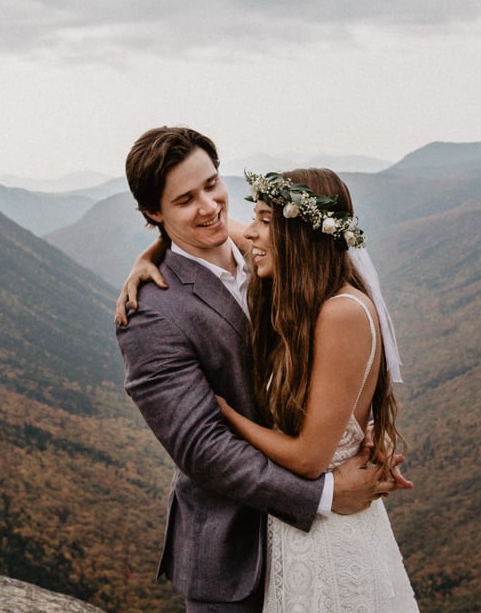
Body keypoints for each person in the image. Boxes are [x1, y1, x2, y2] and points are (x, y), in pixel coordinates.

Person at [115, 127, 403, 612]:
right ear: (153, 213)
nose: (208, 206)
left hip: (320, 549)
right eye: (185, 199)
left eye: (211, 184)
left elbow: (341, 360)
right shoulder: (150, 315)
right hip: (234, 556)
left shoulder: (272, 256)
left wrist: (364, 427)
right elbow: (201, 448)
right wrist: (325, 495)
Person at [219, 168, 419, 611]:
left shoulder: (340, 313)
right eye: (255, 218)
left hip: (332, 540)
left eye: (266, 221)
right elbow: (215, 230)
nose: (251, 233)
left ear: (301, 233)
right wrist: (152, 253)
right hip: (301, 531)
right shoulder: (314, 302)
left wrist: (229, 417)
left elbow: (309, 458)